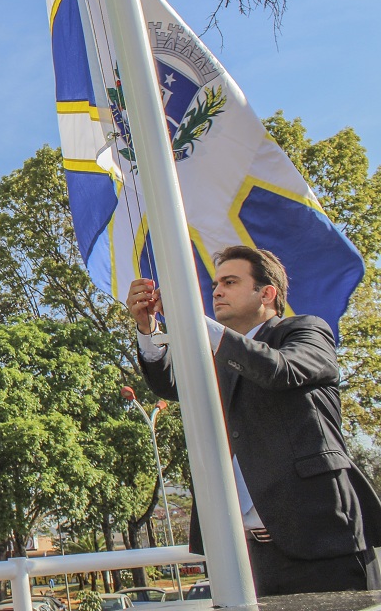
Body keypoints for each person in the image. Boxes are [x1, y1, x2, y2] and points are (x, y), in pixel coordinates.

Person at [126, 245, 381, 597]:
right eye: (215, 283)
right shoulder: (216, 357)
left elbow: (278, 370)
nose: (216, 291)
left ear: (267, 292)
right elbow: (171, 384)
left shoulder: (305, 332)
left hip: (320, 542)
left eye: (230, 281)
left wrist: (191, 319)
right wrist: (148, 327)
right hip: (243, 558)